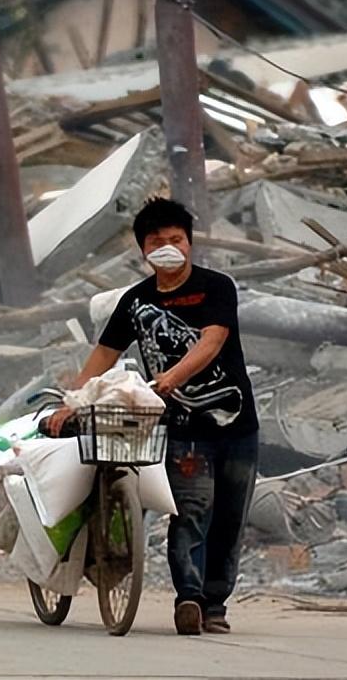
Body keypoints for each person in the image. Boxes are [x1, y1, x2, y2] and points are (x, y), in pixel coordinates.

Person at [46, 198, 258, 636]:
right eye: (157, 241)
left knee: (230, 518)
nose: (168, 247)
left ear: (190, 243)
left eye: (175, 239)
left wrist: (171, 377)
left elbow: (212, 341)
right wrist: (76, 398)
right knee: (191, 511)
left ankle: (216, 604)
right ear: (143, 249)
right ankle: (190, 600)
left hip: (237, 425)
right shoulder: (135, 301)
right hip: (181, 431)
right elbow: (105, 354)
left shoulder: (217, 287)